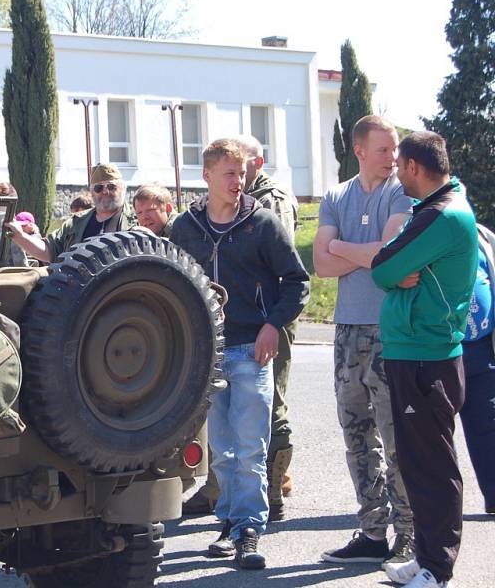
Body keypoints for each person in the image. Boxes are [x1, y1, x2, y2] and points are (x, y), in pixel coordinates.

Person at [170, 138, 309, 569]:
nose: (239, 180)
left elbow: (296, 281)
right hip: (206, 355)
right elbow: (173, 286)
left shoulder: (263, 223)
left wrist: (273, 326)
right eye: (229, 173)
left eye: (243, 172)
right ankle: (229, 523)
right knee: (222, 451)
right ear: (207, 175)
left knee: (251, 446)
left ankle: (249, 528)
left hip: (252, 349)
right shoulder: (184, 227)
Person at [371, 131, 478, 588]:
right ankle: (427, 556)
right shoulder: (435, 210)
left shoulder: (442, 215)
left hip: (425, 357)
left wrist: (394, 271)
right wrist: (395, 270)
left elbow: (382, 268)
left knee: (433, 466)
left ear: (414, 165)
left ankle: (438, 568)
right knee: (417, 463)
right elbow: (392, 268)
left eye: (398, 165)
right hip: (414, 352)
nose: (395, 173)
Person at [315, 115, 415, 568]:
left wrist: (344, 249)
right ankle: (372, 531)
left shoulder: (401, 192)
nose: (392, 157)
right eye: (383, 149)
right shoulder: (337, 196)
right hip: (347, 330)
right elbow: (321, 264)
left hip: (389, 332)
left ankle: (410, 533)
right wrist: (363, 254)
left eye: (393, 148)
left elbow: (390, 253)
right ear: (359, 150)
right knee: (357, 433)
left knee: (397, 436)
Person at [6, 163, 135, 263]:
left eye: (111, 187)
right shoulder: (75, 223)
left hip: (120, 292)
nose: (105, 192)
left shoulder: (136, 221)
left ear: (123, 188)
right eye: (99, 188)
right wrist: (20, 236)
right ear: (92, 192)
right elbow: (48, 250)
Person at [459, 223, 495, 516]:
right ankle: (435, 506)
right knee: (434, 435)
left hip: (483, 348)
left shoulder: (481, 234)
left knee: (488, 426)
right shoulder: (423, 229)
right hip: (441, 350)